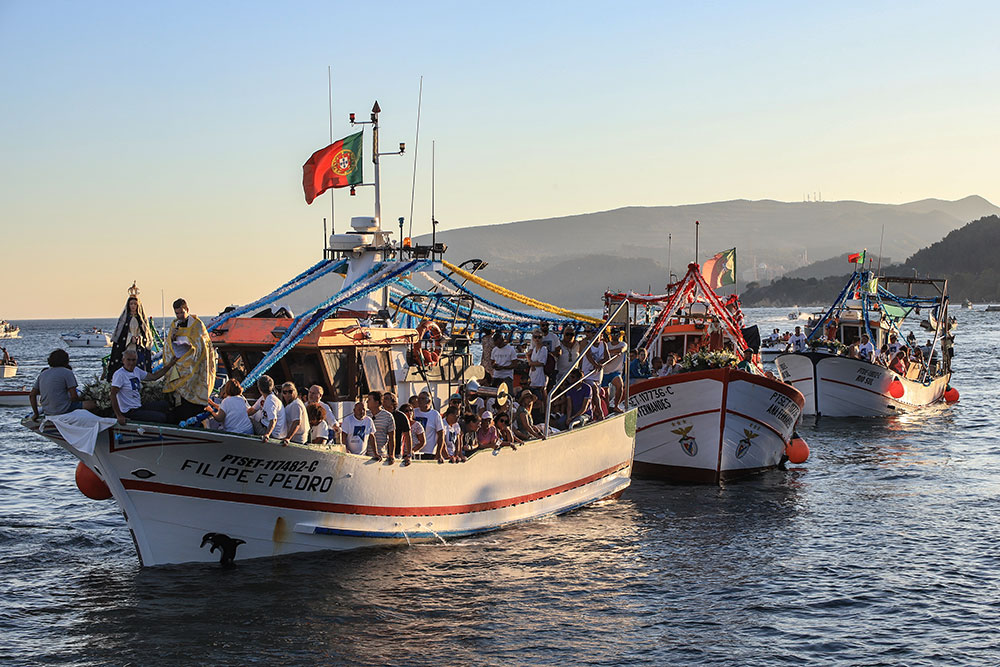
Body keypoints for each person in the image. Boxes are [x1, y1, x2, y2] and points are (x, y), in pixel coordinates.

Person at [163, 298, 216, 423]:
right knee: (179, 401)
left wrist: (190, 348)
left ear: (187, 309)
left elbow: (203, 346)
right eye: (177, 313)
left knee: (192, 404)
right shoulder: (174, 325)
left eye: (181, 312)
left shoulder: (197, 325)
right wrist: (172, 337)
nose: (179, 316)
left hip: (194, 366)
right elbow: (168, 346)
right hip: (179, 364)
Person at [110, 349, 178, 425]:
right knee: (161, 417)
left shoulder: (136, 370)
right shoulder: (119, 375)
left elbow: (154, 377)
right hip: (129, 411)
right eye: (128, 360)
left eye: (133, 360)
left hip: (138, 407)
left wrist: (170, 365)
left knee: (165, 405)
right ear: (123, 360)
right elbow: (113, 394)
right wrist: (119, 415)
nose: (131, 363)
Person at [105, 292, 154, 380]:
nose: (133, 306)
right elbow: (122, 333)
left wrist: (139, 338)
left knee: (139, 363)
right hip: (127, 345)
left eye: (135, 304)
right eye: (131, 304)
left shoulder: (141, 319)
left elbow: (144, 332)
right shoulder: (124, 319)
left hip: (139, 345)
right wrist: (130, 338)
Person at [30, 349, 82, 420]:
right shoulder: (67, 372)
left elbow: (32, 395)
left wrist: (36, 414)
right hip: (64, 409)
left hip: (47, 411)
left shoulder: (43, 374)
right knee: (92, 404)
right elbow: (74, 397)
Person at [248, 375, 285, 441]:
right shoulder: (265, 397)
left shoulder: (270, 401)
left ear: (259, 388)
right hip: (267, 427)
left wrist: (267, 435)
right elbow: (252, 410)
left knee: (249, 420)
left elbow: (273, 420)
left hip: (273, 434)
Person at [413, 393, 445, 460]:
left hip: (429, 452)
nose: (419, 400)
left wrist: (438, 452)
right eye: (418, 398)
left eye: (422, 398)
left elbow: (441, 434)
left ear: (429, 401)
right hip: (414, 452)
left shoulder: (435, 414)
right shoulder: (414, 412)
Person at [366, 390, 395, 462]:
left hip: (381, 455)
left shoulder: (388, 416)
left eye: (369, 400)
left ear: (376, 403)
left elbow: (392, 437)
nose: (367, 402)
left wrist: (391, 455)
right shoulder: (365, 415)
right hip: (365, 454)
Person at [382, 392, 411, 463]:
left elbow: (407, 436)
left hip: (396, 453)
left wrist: (409, 454)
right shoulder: (380, 415)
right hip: (382, 452)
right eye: (383, 399)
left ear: (393, 401)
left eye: (386, 398)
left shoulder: (400, 416)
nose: (384, 400)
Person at [602, 329, 628, 411]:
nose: (615, 336)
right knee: (605, 393)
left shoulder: (623, 344)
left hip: (615, 371)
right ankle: (606, 409)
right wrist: (612, 352)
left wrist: (609, 352)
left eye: (617, 334)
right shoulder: (607, 345)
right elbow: (603, 354)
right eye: (613, 334)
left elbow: (621, 349)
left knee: (619, 386)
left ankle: (616, 405)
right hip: (605, 372)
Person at [527, 329, 549, 404]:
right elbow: (528, 357)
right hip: (533, 373)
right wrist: (532, 363)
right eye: (535, 337)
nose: (537, 339)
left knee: (540, 395)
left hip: (540, 374)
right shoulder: (533, 349)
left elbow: (541, 362)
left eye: (539, 337)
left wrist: (532, 364)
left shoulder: (543, 349)